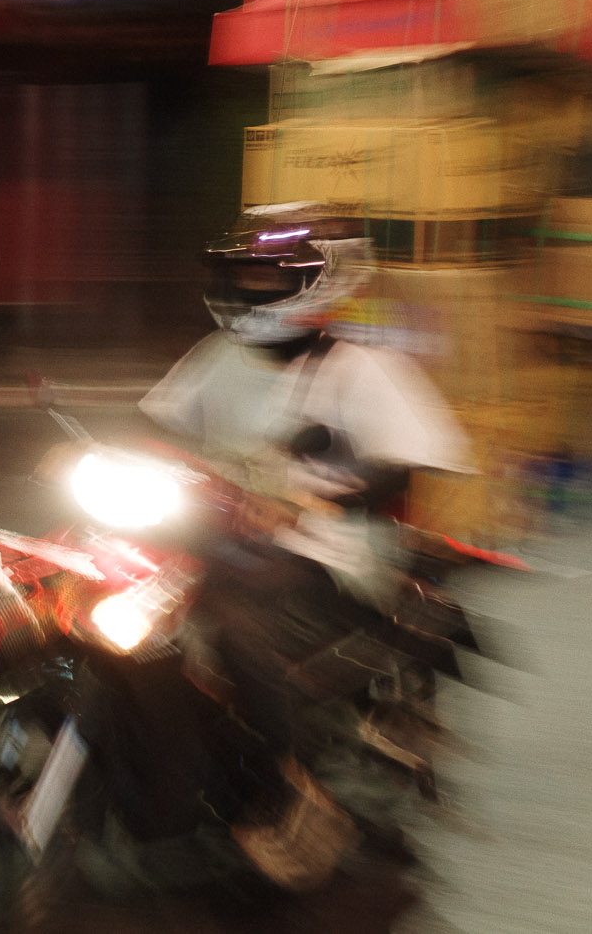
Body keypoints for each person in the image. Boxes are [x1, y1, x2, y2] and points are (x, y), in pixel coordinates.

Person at [138, 202, 472, 886]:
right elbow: (161, 425)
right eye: (240, 275)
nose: (247, 290)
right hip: (225, 534)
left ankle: (291, 786)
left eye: (264, 278)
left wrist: (317, 498)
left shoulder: (363, 367)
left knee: (228, 621)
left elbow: (405, 462)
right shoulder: (216, 356)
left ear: (324, 280)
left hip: (333, 552)